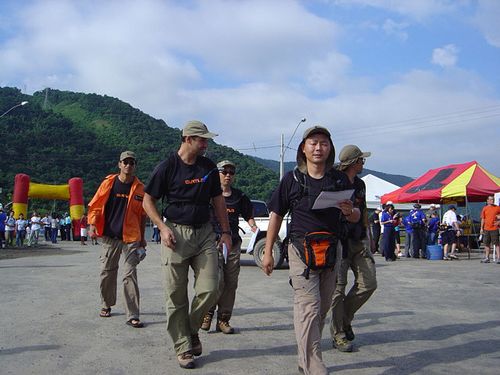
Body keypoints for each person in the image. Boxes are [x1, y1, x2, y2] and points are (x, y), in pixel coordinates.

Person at [262, 126, 358, 375]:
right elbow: (276, 216)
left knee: (323, 307)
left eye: (324, 143)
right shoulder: (292, 180)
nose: (318, 148)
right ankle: (313, 364)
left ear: (330, 148)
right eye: (313, 142)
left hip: (331, 251)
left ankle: (304, 356)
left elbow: (356, 215)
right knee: (309, 307)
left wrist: (349, 211)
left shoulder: (339, 180)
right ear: (303, 148)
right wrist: (268, 251)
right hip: (300, 251)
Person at [142, 120, 232, 370]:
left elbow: (218, 201)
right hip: (176, 234)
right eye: (202, 139)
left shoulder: (209, 167)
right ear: (187, 139)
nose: (206, 144)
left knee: (211, 288)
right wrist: (161, 227)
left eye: (206, 140)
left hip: (204, 233)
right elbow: (147, 201)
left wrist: (225, 231)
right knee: (175, 294)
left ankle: (191, 330)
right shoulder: (167, 167)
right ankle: (183, 346)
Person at [88, 151, 147, 329]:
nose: (128, 165)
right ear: (119, 164)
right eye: (125, 162)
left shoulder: (140, 188)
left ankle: (133, 314)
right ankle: (106, 304)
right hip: (110, 236)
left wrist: (143, 238)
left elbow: (143, 216)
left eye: (132, 162)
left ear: (135, 165)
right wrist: (92, 224)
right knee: (107, 272)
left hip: (131, 238)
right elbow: (96, 204)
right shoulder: (109, 183)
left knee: (129, 274)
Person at [330, 145, 377, 353]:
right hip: (338, 240)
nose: (363, 164)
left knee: (369, 283)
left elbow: (364, 211)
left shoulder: (360, 185)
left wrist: (369, 236)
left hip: (358, 240)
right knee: (337, 290)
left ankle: (345, 319)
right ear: (353, 162)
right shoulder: (333, 181)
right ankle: (338, 333)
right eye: (361, 160)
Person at [201, 160, 258, 334]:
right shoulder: (208, 196)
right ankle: (207, 314)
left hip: (233, 244)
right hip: (213, 243)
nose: (227, 175)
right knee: (217, 281)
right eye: (224, 171)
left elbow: (248, 214)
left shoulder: (239, 196)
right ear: (216, 173)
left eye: (231, 172)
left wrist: (253, 225)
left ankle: (223, 319)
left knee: (231, 283)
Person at [479, 196, 500, 263]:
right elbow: (483, 219)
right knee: (486, 244)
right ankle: (487, 258)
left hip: (494, 228)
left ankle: (499, 258)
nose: (492, 201)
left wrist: (499, 221)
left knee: (496, 244)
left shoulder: (497, 207)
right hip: (486, 229)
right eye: (490, 199)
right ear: (487, 200)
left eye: (493, 199)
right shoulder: (485, 208)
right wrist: (481, 228)